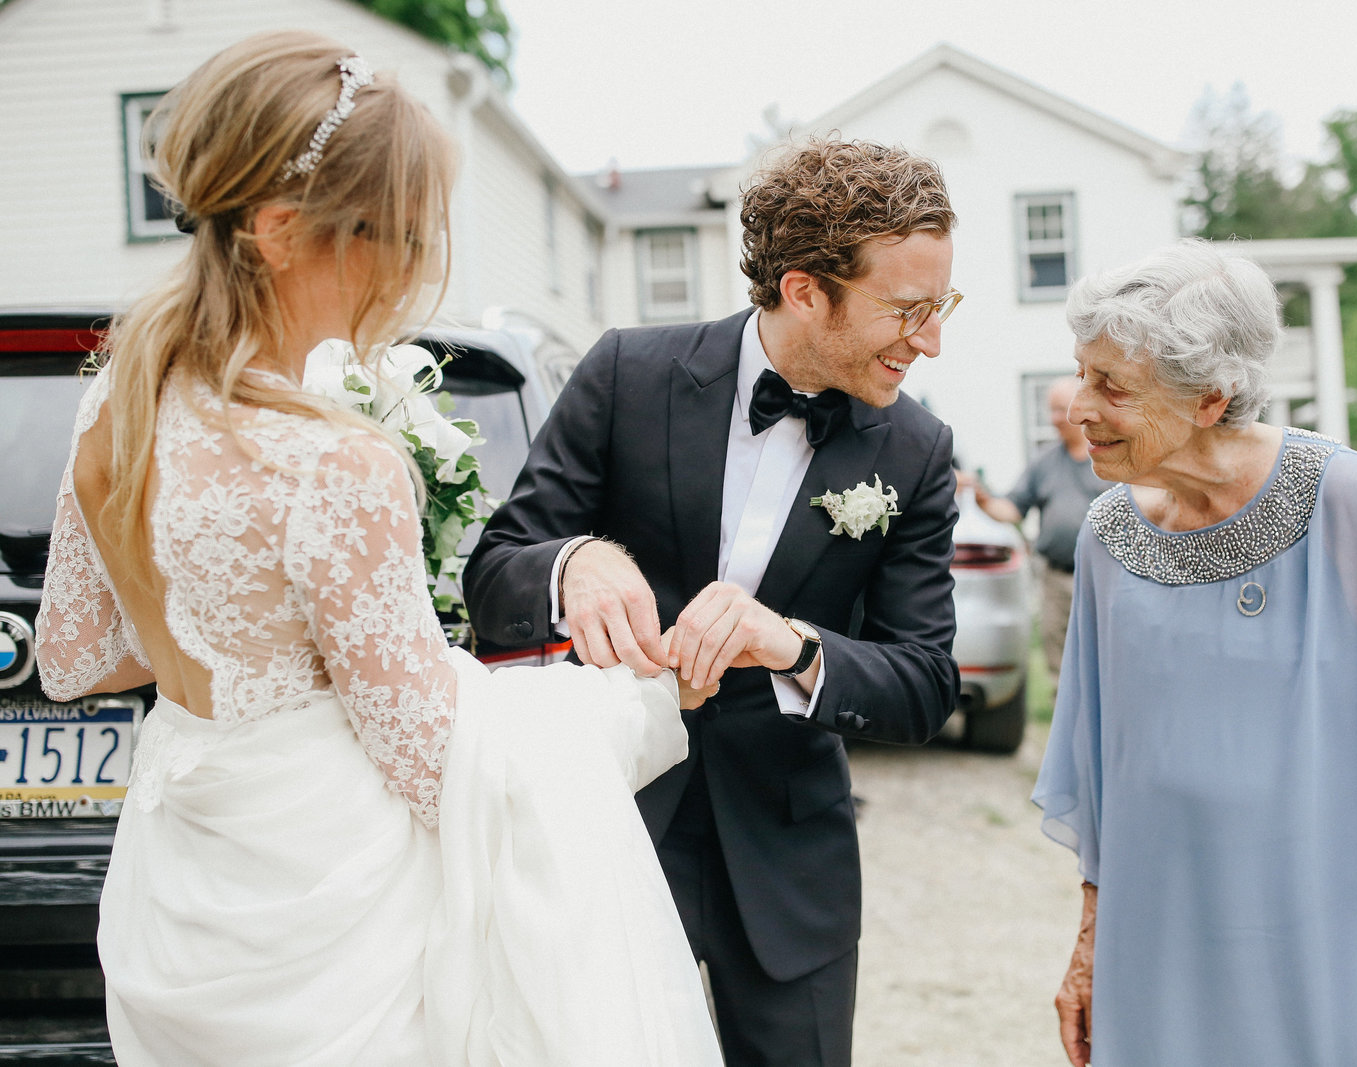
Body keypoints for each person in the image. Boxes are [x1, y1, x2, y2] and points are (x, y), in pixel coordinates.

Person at [34, 31, 720, 1065]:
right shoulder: (331, 461)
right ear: (276, 228)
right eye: (391, 232)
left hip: (180, 881)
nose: (409, 265)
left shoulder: (113, 409)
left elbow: (76, 657)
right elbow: (433, 758)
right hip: (336, 910)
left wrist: (240, 649)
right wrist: (635, 698)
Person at [465, 138, 962, 1066]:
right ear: (806, 289)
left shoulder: (918, 451)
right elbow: (495, 575)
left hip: (789, 864)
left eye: (942, 306)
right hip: (604, 827)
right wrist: (573, 561)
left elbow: (926, 680)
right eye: (908, 310)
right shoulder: (626, 374)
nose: (930, 339)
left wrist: (797, 647)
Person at [1030, 239, 1357, 1067]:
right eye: (1082, 373)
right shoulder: (1105, 538)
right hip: (1156, 949)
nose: (1081, 407)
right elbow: (1104, 779)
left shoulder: (1348, 499)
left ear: (1211, 398)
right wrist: (1088, 949)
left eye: (1111, 386)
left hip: (1323, 943)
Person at [961, 377, 1110, 677]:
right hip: (1056, 579)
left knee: (1108, 660)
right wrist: (982, 498)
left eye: (1060, 410)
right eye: (1050, 411)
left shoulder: (1108, 456)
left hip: (1105, 576)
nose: (1054, 419)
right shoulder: (1044, 463)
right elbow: (1014, 509)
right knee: (1062, 664)